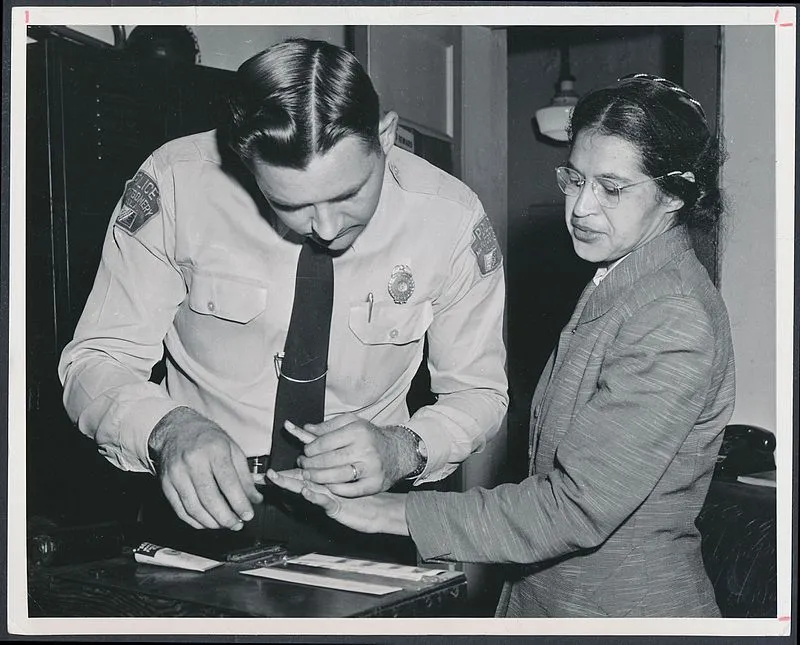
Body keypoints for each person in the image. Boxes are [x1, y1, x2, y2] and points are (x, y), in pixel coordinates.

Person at [269, 73, 736, 617]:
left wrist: (387, 512)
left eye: (611, 188)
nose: (582, 207)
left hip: (622, 610)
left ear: (675, 194)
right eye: (575, 179)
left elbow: (576, 508)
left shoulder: (671, 314)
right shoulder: (626, 279)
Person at [58, 38, 508, 553]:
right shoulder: (176, 183)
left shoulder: (450, 218)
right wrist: (167, 429)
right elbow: (96, 360)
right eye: (290, 204)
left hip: (368, 517)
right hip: (199, 511)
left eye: (348, 194)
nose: (327, 227)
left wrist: (404, 447)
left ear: (385, 136)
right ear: (244, 162)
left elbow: (480, 392)